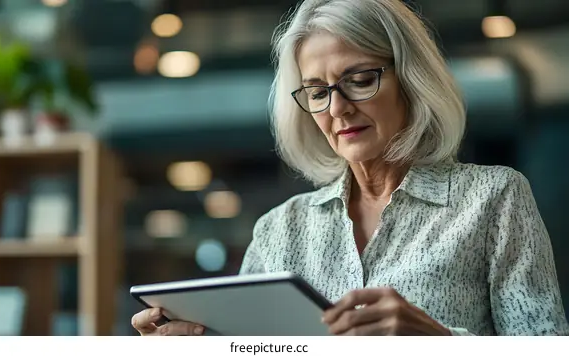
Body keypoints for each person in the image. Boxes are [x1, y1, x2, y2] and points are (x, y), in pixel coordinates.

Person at [131, 0, 569, 336]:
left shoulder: (493, 199)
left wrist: (438, 342)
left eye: (360, 80)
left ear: (410, 79)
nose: (337, 108)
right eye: (317, 91)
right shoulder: (280, 230)